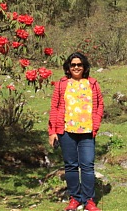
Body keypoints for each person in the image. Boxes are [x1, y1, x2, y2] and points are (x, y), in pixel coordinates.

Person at [48, 52, 104, 211]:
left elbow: (100, 105)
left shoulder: (92, 84)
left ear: (84, 66)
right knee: (71, 166)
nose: (76, 67)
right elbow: (55, 108)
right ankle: (75, 198)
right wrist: (52, 131)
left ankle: (89, 200)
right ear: (68, 67)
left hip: (87, 132)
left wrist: (96, 123)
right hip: (66, 132)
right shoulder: (61, 84)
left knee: (87, 165)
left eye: (79, 65)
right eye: (73, 65)